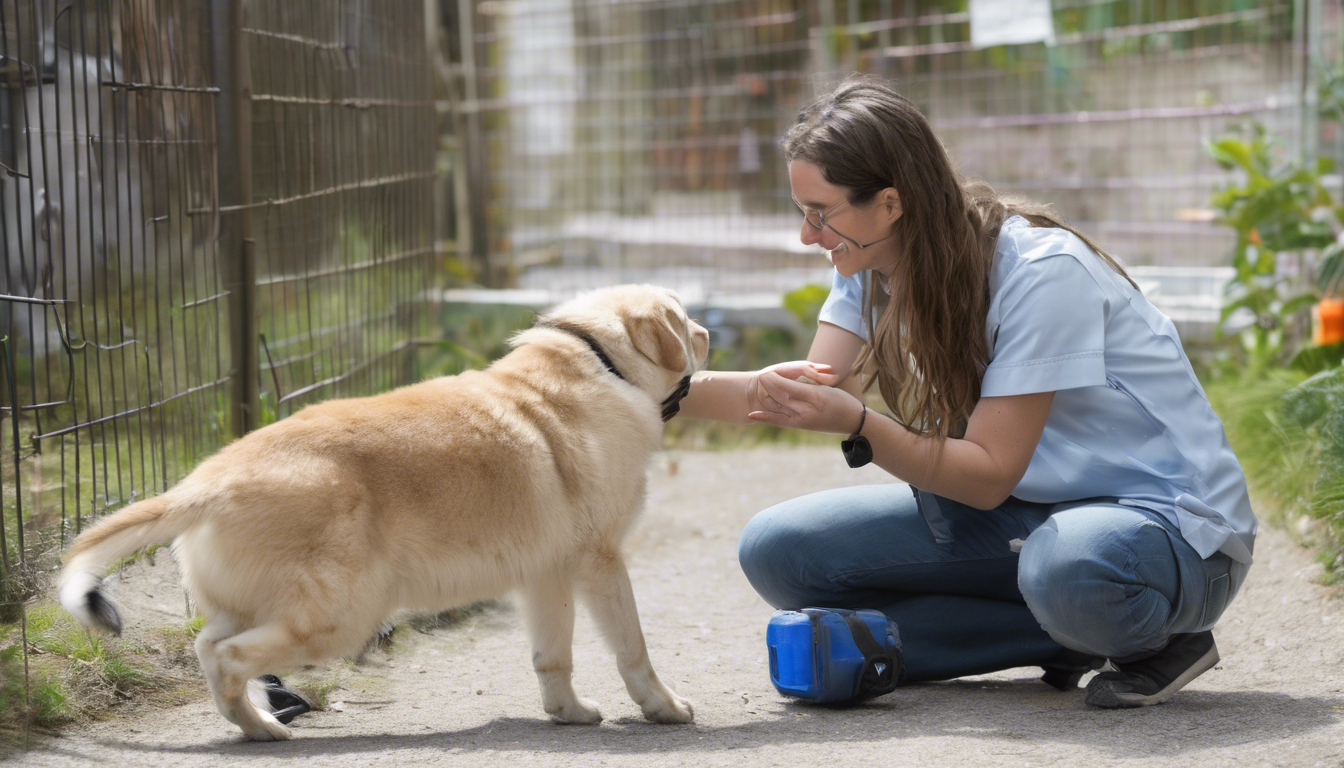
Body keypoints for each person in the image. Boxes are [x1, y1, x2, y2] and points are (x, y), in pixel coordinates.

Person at [676, 76, 1256, 709]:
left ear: (891, 203)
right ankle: (1062, 634)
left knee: (1070, 572)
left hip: (1167, 529)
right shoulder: (869, 263)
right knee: (780, 553)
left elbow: (984, 476)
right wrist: (631, 386)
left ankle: (1156, 637)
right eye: (802, 213)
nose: (808, 236)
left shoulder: (1040, 275)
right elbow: (799, 391)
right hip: (1028, 516)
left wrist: (863, 425)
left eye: (821, 213)